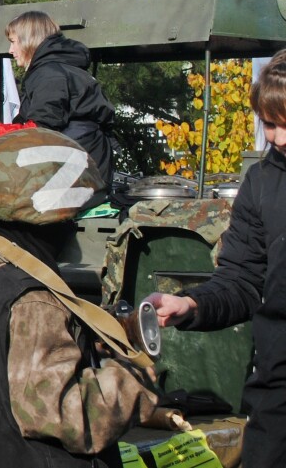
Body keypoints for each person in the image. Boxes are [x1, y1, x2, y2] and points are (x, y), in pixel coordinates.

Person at [0, 127, 158, 466]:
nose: (74, 226)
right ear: (50, 219)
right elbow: (72, 419)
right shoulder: (32, 301)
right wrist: (137, 377)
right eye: (73, 217)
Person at [147, 49, 286, 468]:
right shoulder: (261, 183)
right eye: (269, 124)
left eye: (284, 123)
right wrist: (192, 303)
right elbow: (243, 280)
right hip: (278, 392)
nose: (277, 138)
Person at [0, 10, 117, 202]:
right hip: (84, 171)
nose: (10, 50)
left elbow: (40, 132)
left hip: (73, 178)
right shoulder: (57, 70)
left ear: (29, 40)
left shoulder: (50, 75)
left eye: (13, 42)